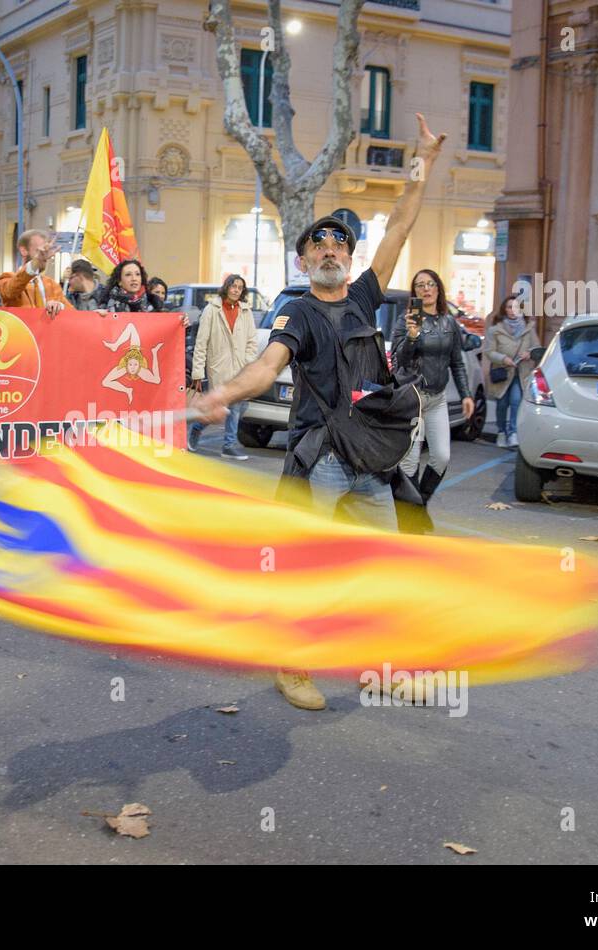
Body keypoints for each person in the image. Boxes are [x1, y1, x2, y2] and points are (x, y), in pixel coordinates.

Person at [192, 112, 445, 711]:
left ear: (350, 261)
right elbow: (267, 365)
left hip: (371, 460)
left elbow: (401, 227)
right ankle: (294, 666)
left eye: (338, 243)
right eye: (318, 244)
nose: (329, 249)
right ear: (304, 262)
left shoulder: (362, 295)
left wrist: (424, 163)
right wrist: (222, 396)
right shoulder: (297, 313)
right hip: (323, 459)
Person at [390, 268, 474, 503]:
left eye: (430, 284)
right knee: (409, 461)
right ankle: (409, 515)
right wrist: (412, 336)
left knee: (441, 456)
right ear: (414, 292)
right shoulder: (405, 321)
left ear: (438, 288)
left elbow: (457, 362)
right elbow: (400, 362)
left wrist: (466, 395)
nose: (426, 289)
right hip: (413, 400)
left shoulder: (449, 323)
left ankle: (420, 503)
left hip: (437, 399)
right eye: (420, 285)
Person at [189, 274, 256, 460]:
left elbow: (252, 341)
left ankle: (228, 444)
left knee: (237, 406)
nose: (236, 290)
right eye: (233, 286)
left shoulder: (246, 311)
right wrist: (197, 371)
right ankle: (200, 430)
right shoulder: (212, 310)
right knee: (222, 406)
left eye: (240, 287)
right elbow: (201, 343)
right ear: (226, 287)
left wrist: (248, 361)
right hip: (219, 368)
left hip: (240, 368)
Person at [484, 294, 540, 448]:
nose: (512, 310)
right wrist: (503, 359)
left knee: (516, 401)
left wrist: (529, 354)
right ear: (504, 309)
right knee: (502, 404)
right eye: (509, 307)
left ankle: (513, 432)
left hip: (521, 372)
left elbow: (537, 348)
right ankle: (501, 432)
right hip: (503, 371)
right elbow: (488, 351)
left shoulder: (529, 328)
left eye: (516, 307)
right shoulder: (495, 330)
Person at [0, 229, 67, 316]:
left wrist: (60, 306)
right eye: (39, 251)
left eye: (46, 251)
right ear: (23, 251)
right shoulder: (6, 278)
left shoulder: (52, 285)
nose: (44, 256)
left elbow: (73, 314)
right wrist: (36, 262)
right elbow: (10, 290)